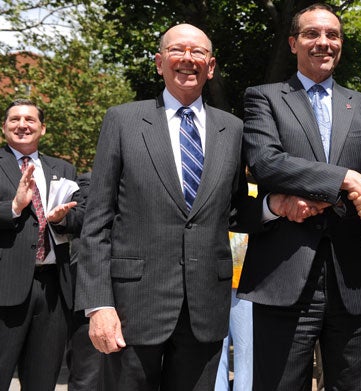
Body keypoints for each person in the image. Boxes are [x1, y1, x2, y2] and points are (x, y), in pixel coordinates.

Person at [75, 24, 256, 391]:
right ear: (159, 63)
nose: (187, 59)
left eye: (198, 52)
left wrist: (276, 206)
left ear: (211, 65)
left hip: (205, 308)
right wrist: (98, 305)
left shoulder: (233, 130)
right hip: (131, 308)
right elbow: (96, 222)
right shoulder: (123, 120)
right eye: (177, 50)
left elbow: (234, 209)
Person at [237, 4, 361, 390]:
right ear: (294, 43)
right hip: (284, 278)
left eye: (333, 35)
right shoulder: (265, 98)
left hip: (355, 281)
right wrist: (347, 179)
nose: (323, 43)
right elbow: (266, 162)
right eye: (312, 34)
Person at [0, 99, 84, 390]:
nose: (22, 125)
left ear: (43, 128)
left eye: (30, 120)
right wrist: (12, 206)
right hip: (4, 290)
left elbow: (82, 219)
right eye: (14, 120)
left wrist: (62, 220)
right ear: (4, 127)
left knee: (42, 381)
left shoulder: (63, 169)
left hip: (53, 292)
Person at [214, 181, 257, 391]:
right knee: (236, 352)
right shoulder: (220, 188)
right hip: (224, 280)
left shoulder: (254, 191)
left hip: (242, 283)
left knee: (239, 351)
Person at [66, 171, 105, 391]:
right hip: (90, 295)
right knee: (87, 377)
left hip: (139, 296)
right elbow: (80, 218)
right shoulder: (87, 182)